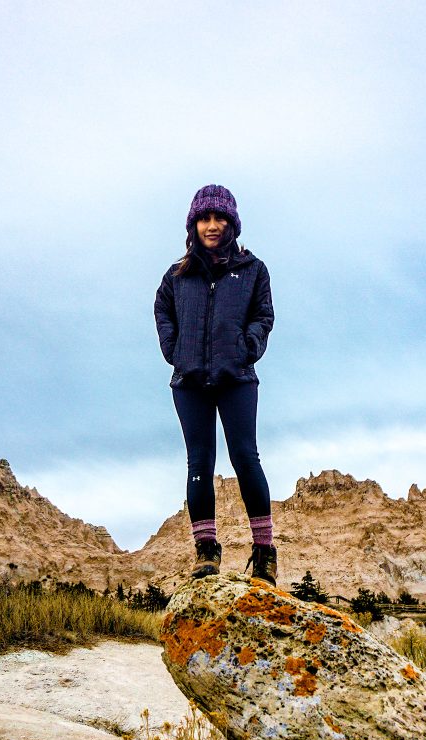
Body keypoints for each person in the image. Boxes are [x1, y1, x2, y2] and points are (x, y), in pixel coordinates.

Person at [153, 184, 277, 585]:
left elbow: (263, 314)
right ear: (194, 224)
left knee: (245, 457)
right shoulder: (177, 276)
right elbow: (162, 311)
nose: (211, 225)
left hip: (236, 377)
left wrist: (249, 345)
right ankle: (206, 552)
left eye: (219, 218)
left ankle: (264, 554)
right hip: (189, 381)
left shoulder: (252, 270)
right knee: (199, 463)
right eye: (204, 218)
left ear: (231, 223)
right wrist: (174, 350)